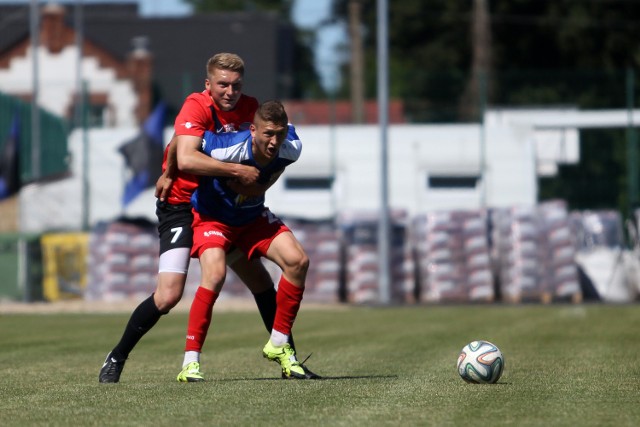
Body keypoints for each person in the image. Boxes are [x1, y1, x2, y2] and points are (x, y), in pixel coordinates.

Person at [99, 53, 315, 383]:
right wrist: (182, 171)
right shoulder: (196, 106)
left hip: (220, 206)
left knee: (260, 281)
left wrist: (259, 183)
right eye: (223, 85)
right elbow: (183, 152)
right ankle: (117, 356)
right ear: (208, 84)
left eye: (236, 85)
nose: (230, 92)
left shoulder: (252, 110)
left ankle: (287, 356)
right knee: (169, 295)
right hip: (181, 205)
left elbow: (269, 157)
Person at [176, 100, 312, 381]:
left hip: (252, 218)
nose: (274, 142)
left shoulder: (292, 146)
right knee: (214, 275)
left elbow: (280, 163)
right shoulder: (226, 146)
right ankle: (190, 363)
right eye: (267, 134)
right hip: (214, 218)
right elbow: (183, 145)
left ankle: (277, 344)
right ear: (253, 130)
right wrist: (169, 174)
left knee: (298, 261)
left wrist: (263, 185)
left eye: (279, 133)